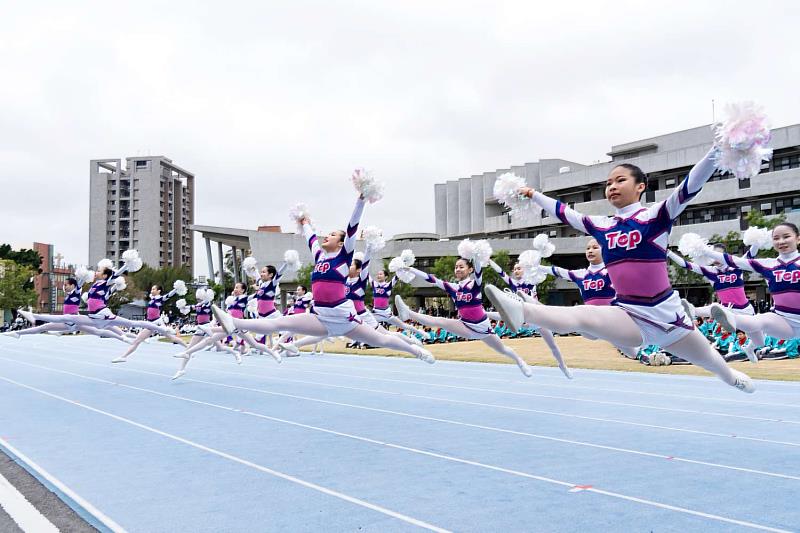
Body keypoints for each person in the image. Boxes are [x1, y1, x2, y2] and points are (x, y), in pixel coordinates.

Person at [486, 146, 755, 392]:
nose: (612, 186)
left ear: (640, 187)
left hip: (669, 315)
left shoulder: (655, 216)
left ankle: (731, 377)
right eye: (608, 183)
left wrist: (719, 150)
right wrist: (533, 194)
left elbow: (689, 186)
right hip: (630, 314)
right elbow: (564, 212)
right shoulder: (602, 225)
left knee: (711, 361)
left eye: (620, 180)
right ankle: (522, 311)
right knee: (583, 315)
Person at [212, 189, 436, 364]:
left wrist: (360, 200)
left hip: (343, 318)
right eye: (326, 233)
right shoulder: (319, 255)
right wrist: (304, 222)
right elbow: (309, 238)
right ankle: (234, 323)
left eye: (331, 235)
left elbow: (351, 227)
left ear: (340, 242)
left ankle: (415, 350)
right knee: (277, 323)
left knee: (384, 339)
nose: (326, 236)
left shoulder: (344, 256)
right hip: (320, 317)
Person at [393, 244, 533, 377]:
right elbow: (431, 279)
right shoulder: (453, 287)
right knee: (441, 321)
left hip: (484, 328)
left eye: (461, 267)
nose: (458, 269)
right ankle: (408, 313)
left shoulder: (475, 284)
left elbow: (479, 272)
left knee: (503, 349)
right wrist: (409, 269)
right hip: (465, 326)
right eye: (456, 267)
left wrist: (476, 256)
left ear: (469, 269)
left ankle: (520, 361)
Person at [707, 222, 800, 365]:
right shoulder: (767, 264)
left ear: (797, 238)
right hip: (783, 321)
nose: (781, 241)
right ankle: (729, 317)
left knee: (759, 334)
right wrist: (702, 250)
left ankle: (749, 348)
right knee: (761, 320)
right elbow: (734, 261)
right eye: (776, 238)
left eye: (786, 236)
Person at [111, 283, 187, 363]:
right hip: (150, 323)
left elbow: (169, 295)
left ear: (159, 291)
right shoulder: (152, 299)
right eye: (151, 289)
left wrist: (176, 289)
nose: (152, 290)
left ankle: (188, 349)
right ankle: (124, 357)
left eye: (154, 289)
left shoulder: (160, 299)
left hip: (156, 322)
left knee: (171, 338)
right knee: (137, 340)